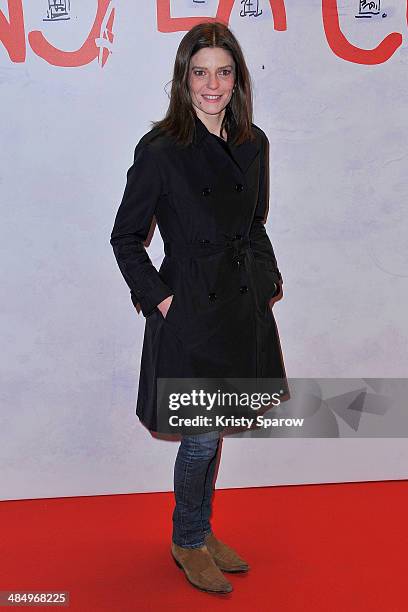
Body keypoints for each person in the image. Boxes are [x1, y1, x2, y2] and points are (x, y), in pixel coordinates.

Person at [110, 21, 288, 594]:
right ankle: (187, 539)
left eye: (224, 71)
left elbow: (254, 222)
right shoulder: (161, 150)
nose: (213, 84)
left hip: (239, 306)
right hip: (189, 309)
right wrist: (161, 299)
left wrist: (265, 284)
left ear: (237, 81)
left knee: (214, 432)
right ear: (183, 80)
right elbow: (125, 236)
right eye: (200, 72)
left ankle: (201, 531)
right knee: (202, 436)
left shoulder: (253, 142)